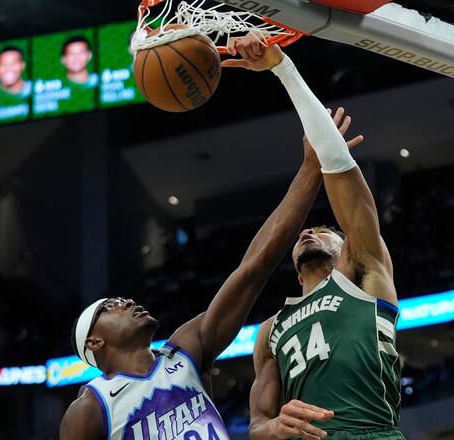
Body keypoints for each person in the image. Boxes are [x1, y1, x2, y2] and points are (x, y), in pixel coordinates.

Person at [59, 100, 364, 438]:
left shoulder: (185, 351)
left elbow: (254, 268)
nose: (127, 302)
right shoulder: (91, 406)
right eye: (111, 306)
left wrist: (311, 169)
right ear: (95, 341)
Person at [223, 39, 403, 439]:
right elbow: (257, 425)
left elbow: (339, 167)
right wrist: (272, 426)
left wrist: (282, 67)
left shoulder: (363, 273)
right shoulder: (270, 330)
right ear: (294, 267)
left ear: (345, 248)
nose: (307, 231)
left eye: (324, 230)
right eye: (306, 231)